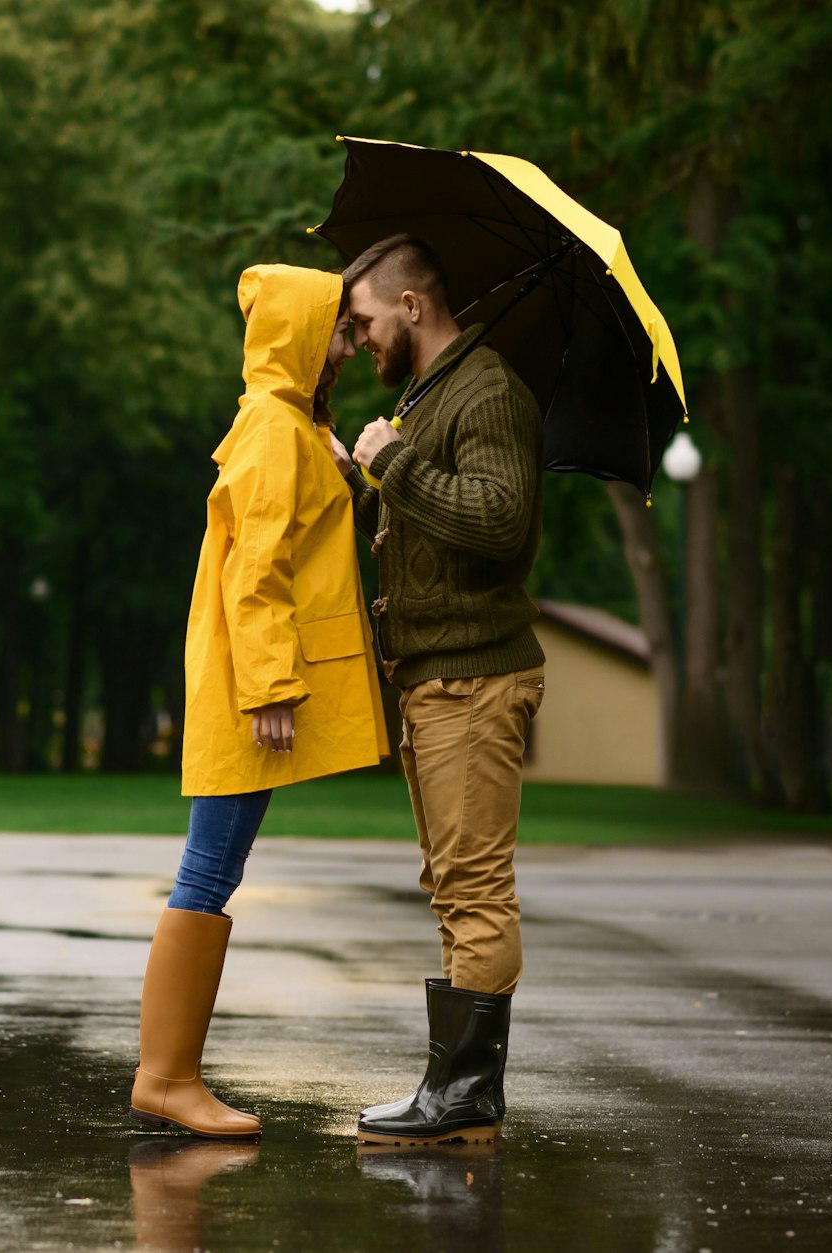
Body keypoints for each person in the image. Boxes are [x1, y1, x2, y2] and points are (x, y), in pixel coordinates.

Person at [130, 264, 388, 1140]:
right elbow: (258, 568)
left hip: (243, 681)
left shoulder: (288, 425)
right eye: (340, 330)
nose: (349, 345)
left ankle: (169, 1076)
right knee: (207, 870)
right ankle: (165, 1079)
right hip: (251, 687)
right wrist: (273, 685)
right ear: (303, 334)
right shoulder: (276, 428)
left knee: (213, 868)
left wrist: (345, 467)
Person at [333, 234, 546, 1147]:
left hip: (475, 677)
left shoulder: (488, 390)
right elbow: (422, 531)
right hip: (433, 680)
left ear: (412, 306)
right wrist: (359, 483)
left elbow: (501, 522)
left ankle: (462, 1096)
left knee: (475, 890)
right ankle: (458, 1091)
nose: (359, 342)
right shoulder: (425, 396)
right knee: (453, 886)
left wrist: (394, 464)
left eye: (364, 323)